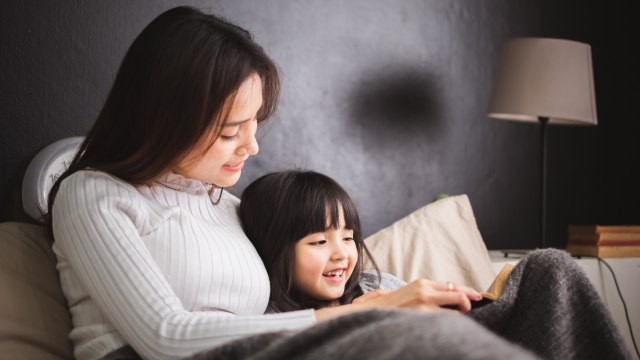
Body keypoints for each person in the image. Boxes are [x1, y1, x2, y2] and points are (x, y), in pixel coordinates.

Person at [46, 6, 631, 360]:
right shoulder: (93, 195)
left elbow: (313, 267)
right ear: (163, 118)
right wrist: (371, 312)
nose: (252, 148)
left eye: (256, 126)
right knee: (428, 344)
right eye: (230, 131)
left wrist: (403, 293)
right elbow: (166, 340)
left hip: (290, 345)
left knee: (551, 276)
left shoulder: (231, 205)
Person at [238, 169, 407, 313]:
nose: (341, 254)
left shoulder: (378, 284)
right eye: (320, 242)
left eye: (348, 238)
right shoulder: (277, 322)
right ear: (272, 249)